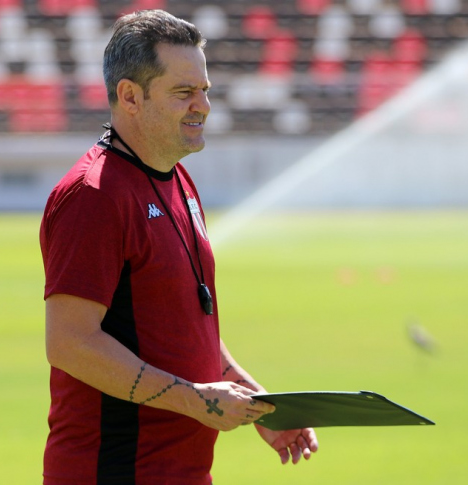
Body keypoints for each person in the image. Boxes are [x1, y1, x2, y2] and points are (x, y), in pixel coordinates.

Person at [39, 9, 318, 485]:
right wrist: (196, 399)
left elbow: (187, 324)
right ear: (130, 96)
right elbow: (69, 342)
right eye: (184, 92)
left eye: (205, 90)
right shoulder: (93, 196)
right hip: (113, 471)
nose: (203, 106)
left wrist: (258, 402)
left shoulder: (179, 179)